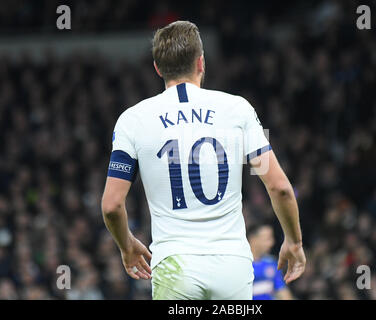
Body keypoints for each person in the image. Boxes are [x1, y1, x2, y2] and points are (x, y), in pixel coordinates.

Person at [101, 20, 306, 300]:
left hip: (176, 266)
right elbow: (279, 187)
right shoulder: (238, 110)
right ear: (201, 63)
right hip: (232, 266)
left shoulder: (132, 120)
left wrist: (126, 246)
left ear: (158, 68)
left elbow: (112, 205)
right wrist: (293, 241)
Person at [248, 224, 294, 300]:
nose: (272, 243)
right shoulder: (240, 265)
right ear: (253, 239)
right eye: (267, 239)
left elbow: (282, 291)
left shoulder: (271, 263)